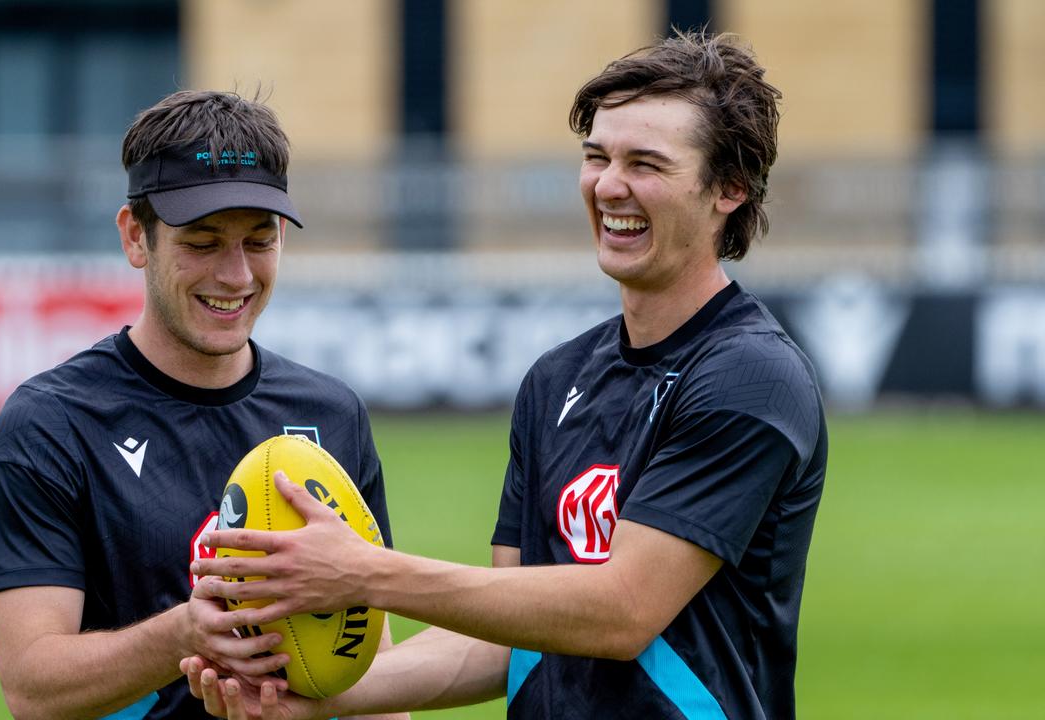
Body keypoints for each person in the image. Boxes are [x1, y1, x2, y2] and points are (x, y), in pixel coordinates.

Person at [186, 31, 828, 720]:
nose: (610, 185)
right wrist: (308, 706)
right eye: (597, 157)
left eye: (645, 163)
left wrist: (363, 573)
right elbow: (506, 639)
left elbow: (623, 610)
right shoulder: (556, 380)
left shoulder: (752, 377)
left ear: (729, 188)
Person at [0, 90, 404, 719]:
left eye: (259, 241)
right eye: (202, 243)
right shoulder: (49, 424)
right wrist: (183, 633)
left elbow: (374, 669)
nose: (236, 275)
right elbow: (32, 688)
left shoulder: (333, 413)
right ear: (134, 237)